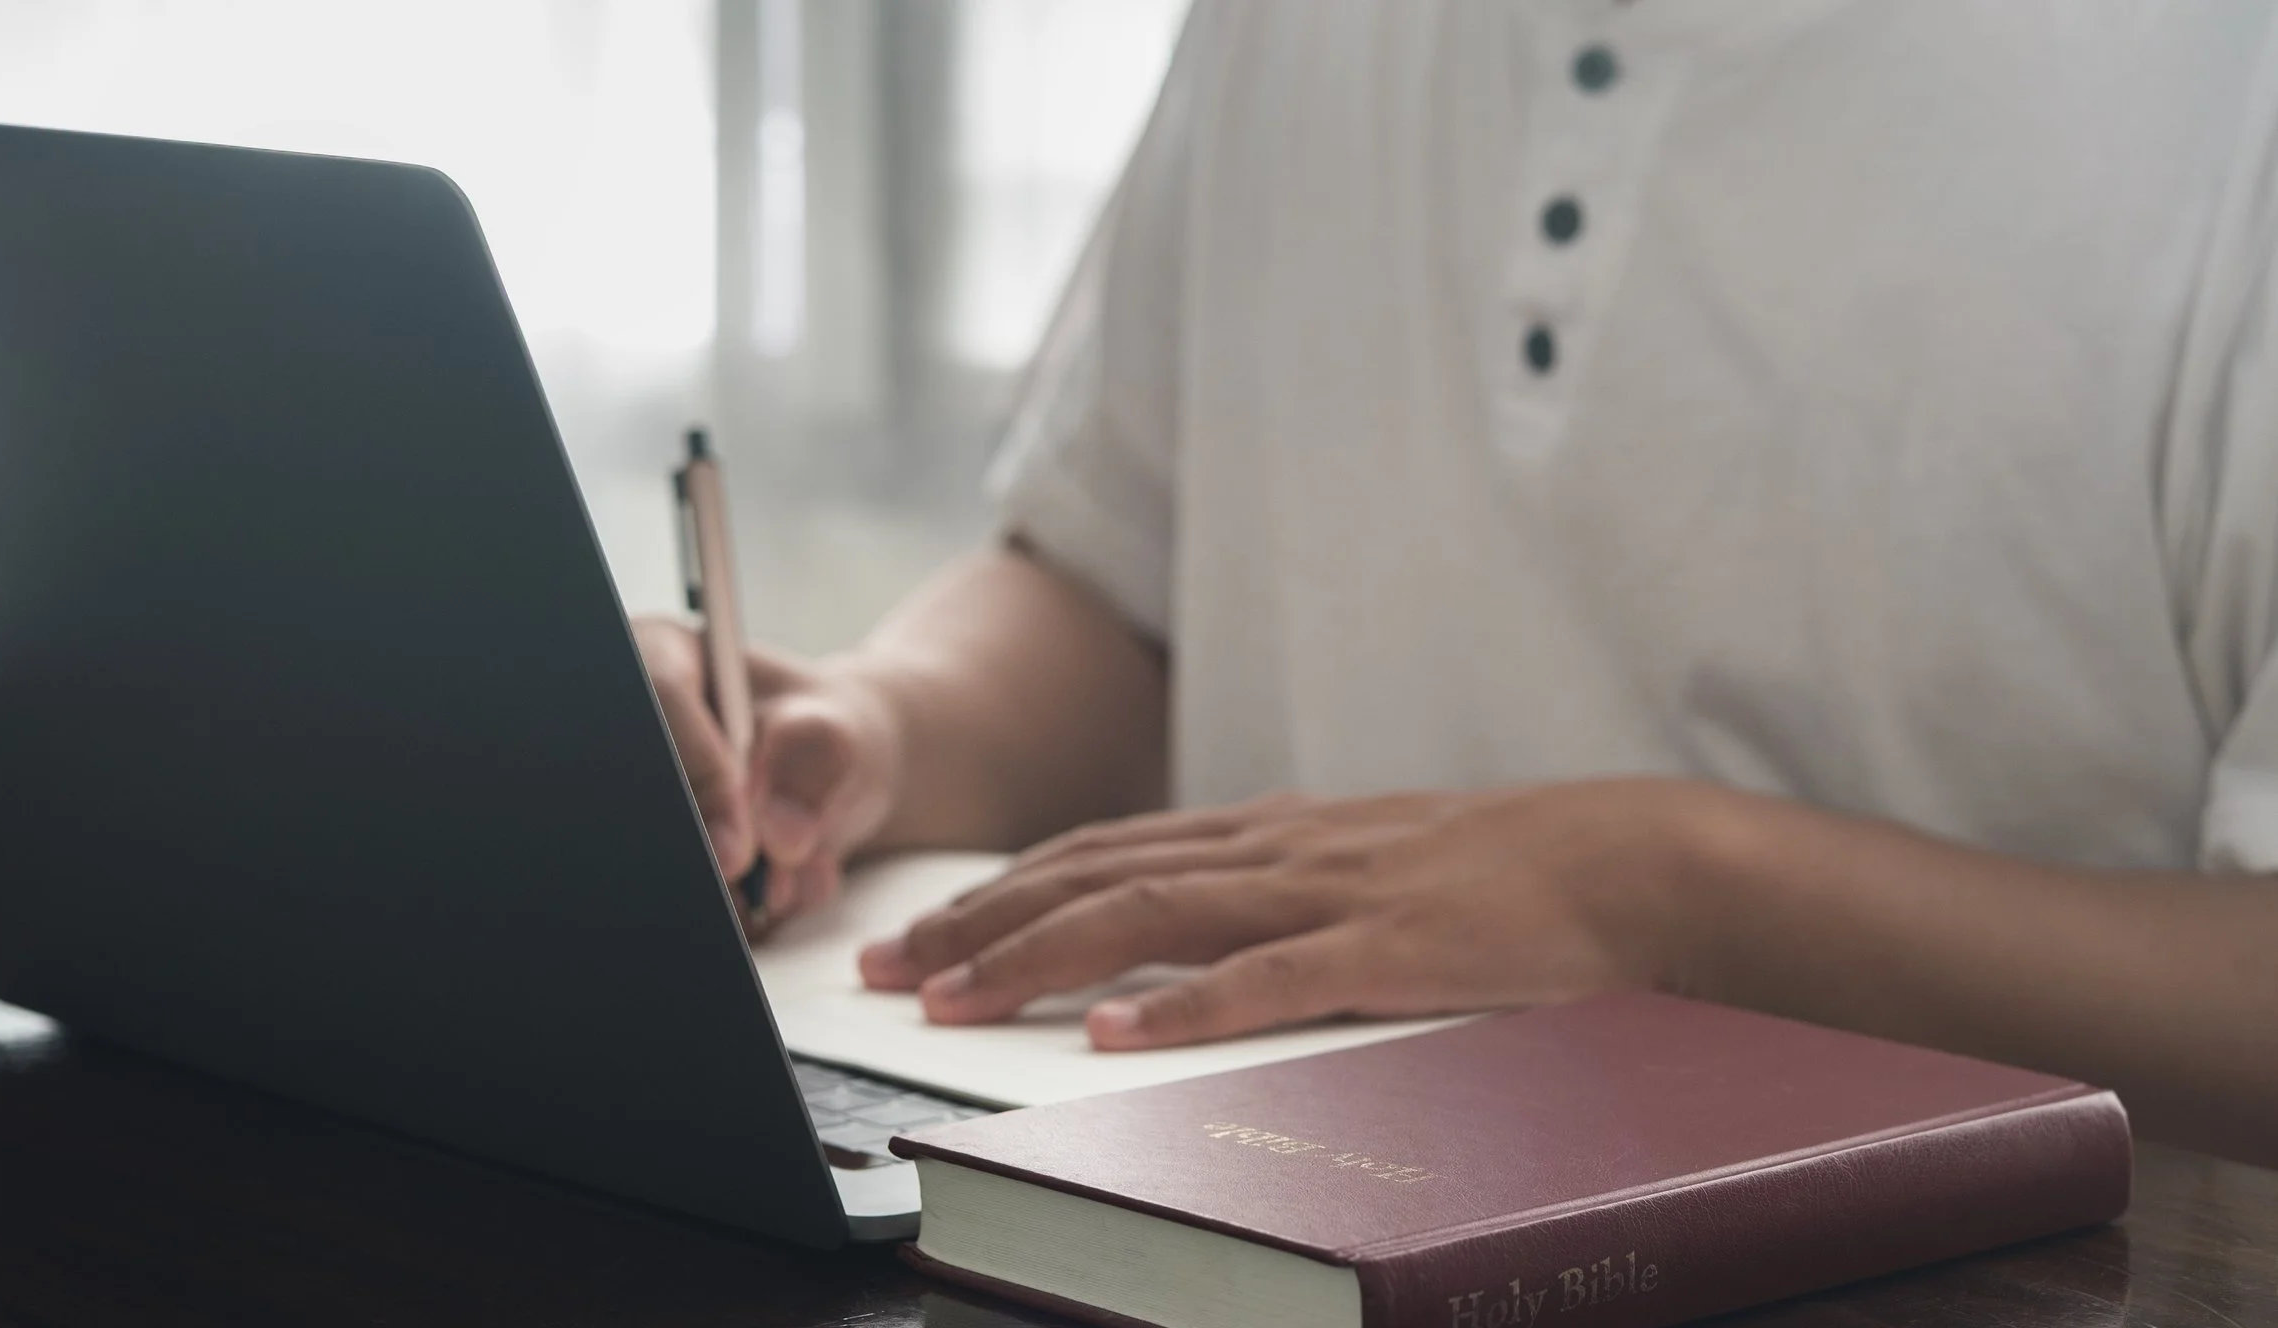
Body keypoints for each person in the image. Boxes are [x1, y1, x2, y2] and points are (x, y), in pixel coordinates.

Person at [639, 1, 2278, 1168]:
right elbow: (1122, 585)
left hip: (1952, 1326)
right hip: (1222, 1209)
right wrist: (875, 724)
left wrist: (1684, 896)